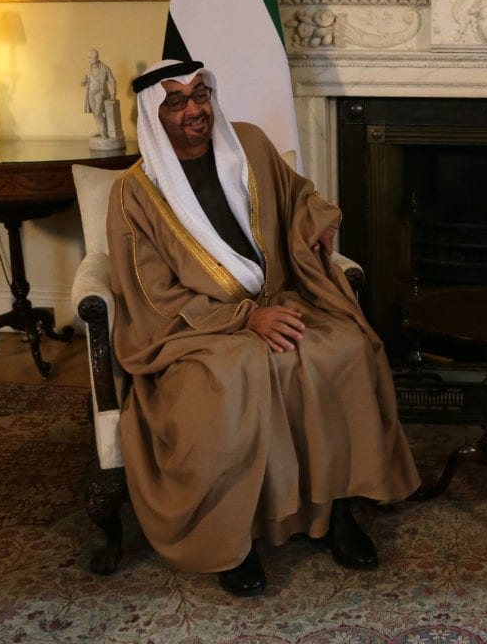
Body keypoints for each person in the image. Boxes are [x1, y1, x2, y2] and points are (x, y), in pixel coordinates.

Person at [107, 59, 421, 597]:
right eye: (176, 102)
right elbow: (155, 296)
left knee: (342, 348)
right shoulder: (134, 194)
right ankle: (234, 537)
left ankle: (337, 512)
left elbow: (297, 194)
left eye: (200, 95)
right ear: (153, 115)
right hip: (197, 330)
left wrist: (318, 221)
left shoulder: (248, 143)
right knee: (238, 374)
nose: (194, 111)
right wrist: (245, 319)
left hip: (280, 297)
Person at [82, 49, 117, 138]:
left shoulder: (105, 68)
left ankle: (104, 132)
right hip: (90, 94)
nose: (89, 59)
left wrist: (113, 93)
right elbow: (84, 82)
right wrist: (83, 82)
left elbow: (112, 80)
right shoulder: (88, 70)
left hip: (101, 94)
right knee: (95, 113)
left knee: (98, 112)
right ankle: (102, 131)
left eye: (91, 57)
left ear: (96, 57)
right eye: (88, 57)